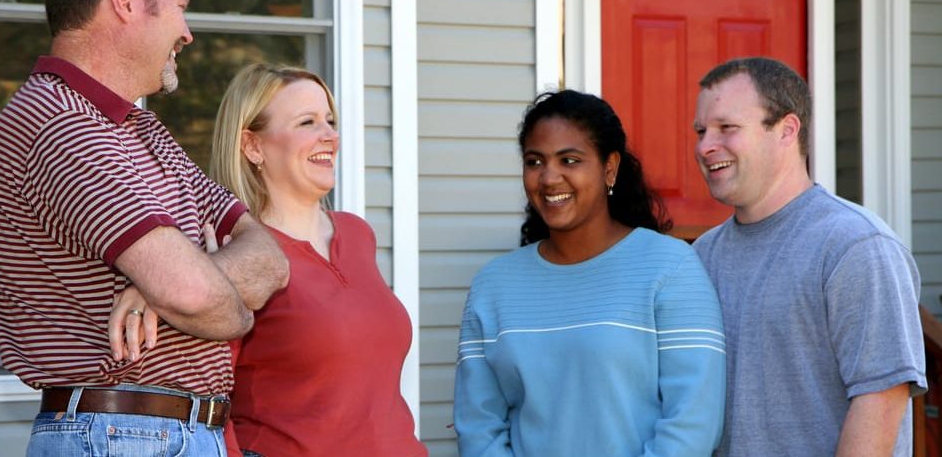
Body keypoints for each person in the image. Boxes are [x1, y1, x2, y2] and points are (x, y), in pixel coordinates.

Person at [0, 0, 288, 455]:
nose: (187, 33)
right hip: (119, 433)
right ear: (125, 0)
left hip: (161, 431)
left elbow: (270, 258)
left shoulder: (144, 132)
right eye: (179, 8)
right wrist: (222, 304)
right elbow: (194, 296)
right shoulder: (58, 122)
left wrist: (176, 284)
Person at [454, 90, 726, 456]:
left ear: (608, 167)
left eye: (569, 160)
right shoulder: (493, 287)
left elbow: (692, 422)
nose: (549, 178)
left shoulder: (669, 268)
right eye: (535, 162)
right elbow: (479, 427)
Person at [691, 57, 926, 456]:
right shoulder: (702, 255)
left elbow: (881, 399)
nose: (705, 146)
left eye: (726, 128)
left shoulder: (855, 245)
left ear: (786, 130)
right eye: (700, 131)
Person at [206, 63, 427, 456]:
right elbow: (212, 395)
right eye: (307, 122)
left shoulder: (357, 235)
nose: (330, 136)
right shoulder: (237, 254)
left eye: (330, 120)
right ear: (253, 146)